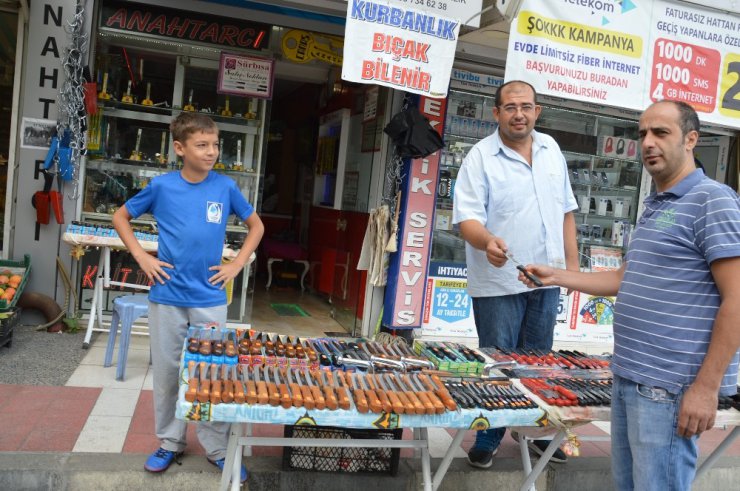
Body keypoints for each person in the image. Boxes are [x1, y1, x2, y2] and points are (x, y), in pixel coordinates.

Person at [518, 100, 740, 490]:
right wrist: (557, 276)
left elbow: (736, 299)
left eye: (661, 133)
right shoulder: (656, 204)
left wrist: (706, 388)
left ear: (691, 139)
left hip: (669, 387)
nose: (648, 143)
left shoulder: (712, 200)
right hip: (629, 377)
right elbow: (626, 277)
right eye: (642, 134)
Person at [113, 112, 264, 483]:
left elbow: (256, 226)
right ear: (180, 148)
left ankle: (216, 447)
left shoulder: (226, 187)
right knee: (167, 372)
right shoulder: (162, 187)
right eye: (202, 145)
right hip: (166, 297)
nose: (211, 151)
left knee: (213, 372)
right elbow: (120, 217)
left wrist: (236, 265)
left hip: (210, 297)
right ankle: (170, 441)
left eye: (215, 144)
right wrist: (142, 256)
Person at [452, 80, 579, 468]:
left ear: (537, 111)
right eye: (510, 107)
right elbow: (467, 219)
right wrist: (487, 241)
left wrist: (571, 269)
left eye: (526, 106)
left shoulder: (551, 150)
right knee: (498, 361)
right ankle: (489, 434)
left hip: (546, 279)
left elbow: (566, 211)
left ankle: (538, 434)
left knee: (538, 360)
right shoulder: (480, 157)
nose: (519, 114)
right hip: (498, 282)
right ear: (496, 113)